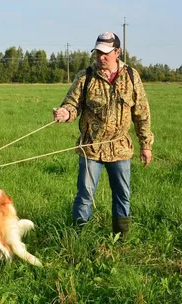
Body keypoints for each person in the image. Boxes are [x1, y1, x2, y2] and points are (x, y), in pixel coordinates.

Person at [53, 32, 154, 237]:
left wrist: (146, 144)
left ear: (117, 52)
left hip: (120, 148)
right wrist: (65, 113)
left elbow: (142, 113)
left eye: (106, 53)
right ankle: (79, 236)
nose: (101, 57)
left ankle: (121, 237)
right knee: (85, 195)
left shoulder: (132, 76)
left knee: (122, 195)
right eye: (98, 52)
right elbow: (72, 104)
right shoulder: (85, 76)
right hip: (91, 147)